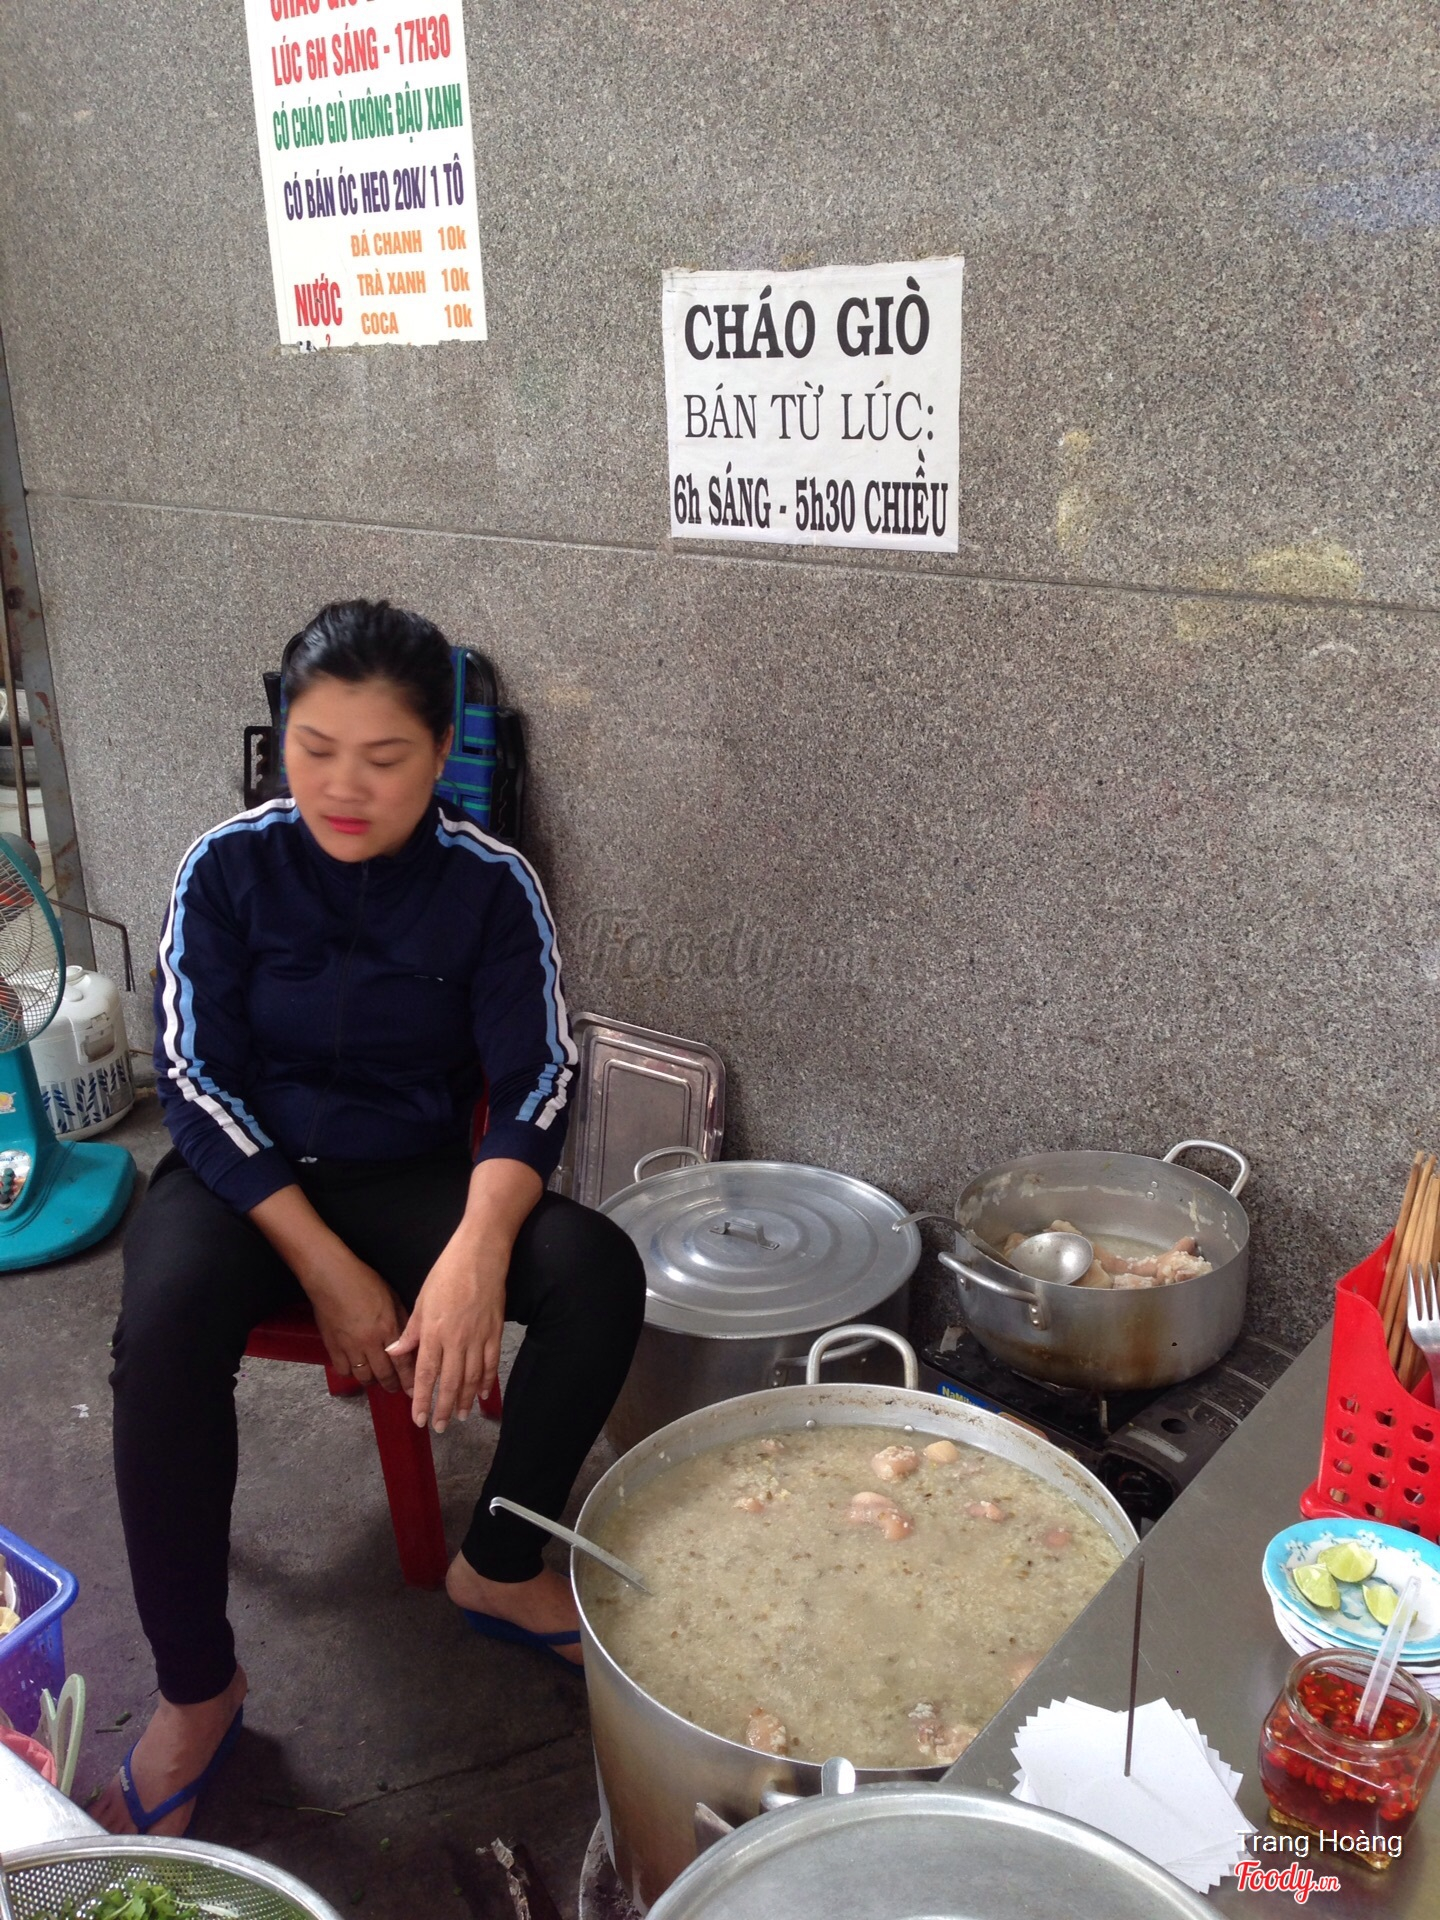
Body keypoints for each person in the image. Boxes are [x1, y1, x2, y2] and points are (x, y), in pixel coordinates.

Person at [95, 600, 645, 1837]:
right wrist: (329, 1268)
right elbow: (193, 1080)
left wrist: (476, 1252)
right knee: (164, 1323)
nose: (343, 787)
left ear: (443, 753)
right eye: (314, 748)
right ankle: (197, 1686)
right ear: (279, 739)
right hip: (246, 1182)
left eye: (385, 757)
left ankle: (498, 1565)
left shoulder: (491, 885)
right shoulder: (225, 869)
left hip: (408, 1174)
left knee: (598, 1268)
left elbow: (538, 1079)